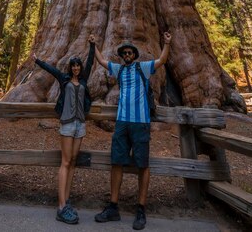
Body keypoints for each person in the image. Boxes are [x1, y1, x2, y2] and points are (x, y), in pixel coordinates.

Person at [90, 31, 172, 231]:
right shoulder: (118, 70)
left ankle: (141, 209)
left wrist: (166, 42)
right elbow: (101, 61)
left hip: (140, 122)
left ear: (134, 55)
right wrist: (93, 44)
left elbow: (161, 60)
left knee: (142, 164)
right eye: (124, 53)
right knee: (117, 162)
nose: (127, 55)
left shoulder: (143, 68)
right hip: (122, 122)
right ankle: (113, 207)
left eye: (129, 53)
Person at [32, 37, 95, 225]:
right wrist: (37, 60)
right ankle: (61, 207)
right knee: (65, 161)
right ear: (70, 68)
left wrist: (92, 45)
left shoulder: (83, 80)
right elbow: (51, 70)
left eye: (78, 66)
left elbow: (91, 62)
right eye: (73, 66)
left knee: (73, 161)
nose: (76, 68)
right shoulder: (64, 79)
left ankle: (66, 201)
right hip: (67, 124)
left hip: (80, 125)